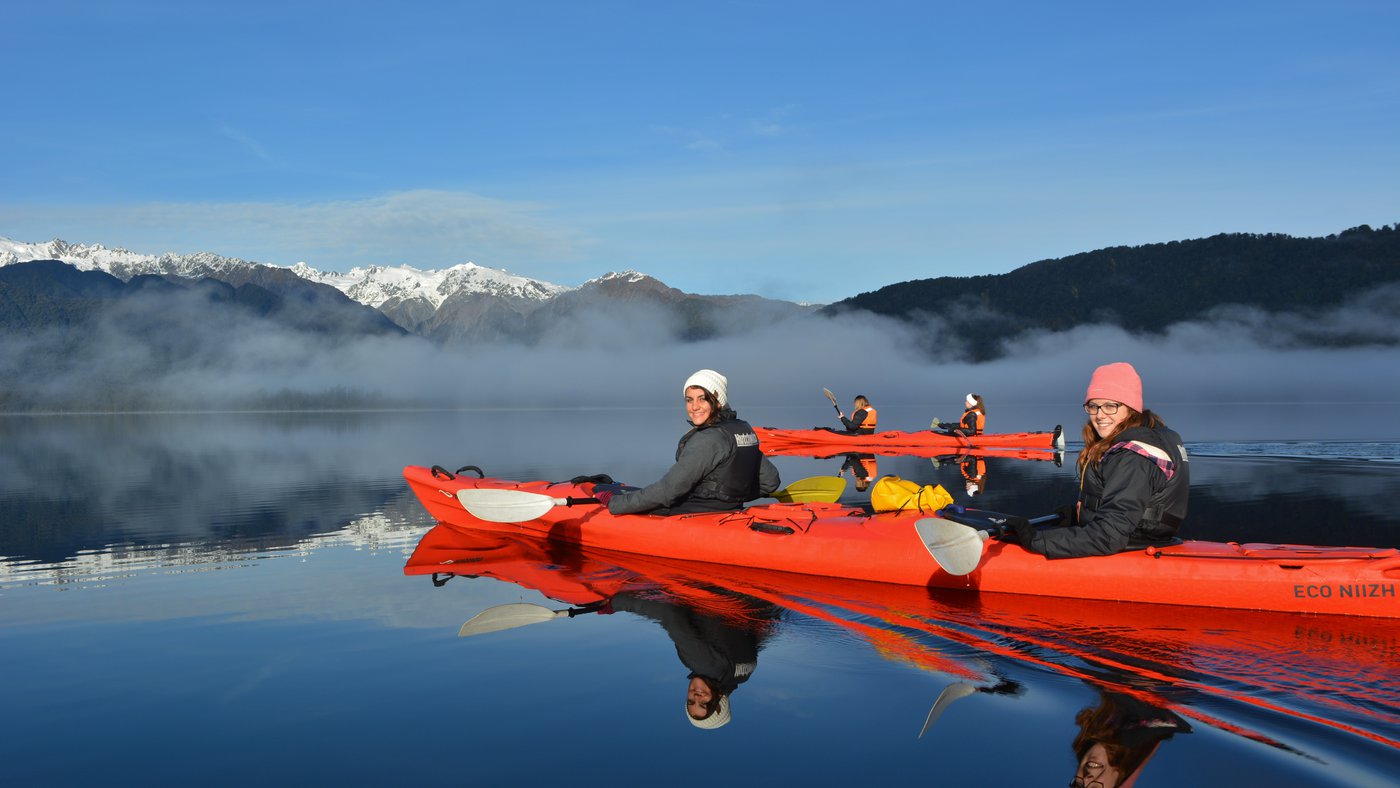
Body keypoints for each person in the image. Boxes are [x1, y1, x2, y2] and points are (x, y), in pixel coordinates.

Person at [1007, 362, 1189, 558]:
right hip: (1148, 539)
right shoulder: (1155, 435)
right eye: (1093, 406)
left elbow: (1110, 535)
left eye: (1111, 406)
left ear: (1131, 408)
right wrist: (1080, 516)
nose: (1100, 415)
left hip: (1131, 546)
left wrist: (1037, 541)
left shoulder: (1132, 456)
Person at [599, 369, 781, 515]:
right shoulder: (743, 430)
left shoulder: (709, 439)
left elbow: (668, 491)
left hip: (695, 513)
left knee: (618, 498)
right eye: (689, 400)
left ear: (718, 402)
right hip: (730, 510)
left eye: (703, 399)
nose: (694, 407)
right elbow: (770, 481)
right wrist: (732, 498)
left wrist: (615, 504)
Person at [608, 588, 781, 731]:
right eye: (703, 703)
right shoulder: (703, 664)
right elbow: (669, 613)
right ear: (719, 702)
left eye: (691, 701)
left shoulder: (744, 674)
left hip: (758, 597)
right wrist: (615, 603)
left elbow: (763, 631)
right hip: (722, 589)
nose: (696, 696)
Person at [1069, 691, 1191, 787]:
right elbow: (1177, 726)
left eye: (1078, 786)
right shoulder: (1139, 729)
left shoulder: (1104, 724)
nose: (1086, 779)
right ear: (1119, 778)